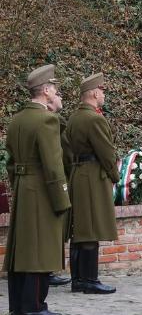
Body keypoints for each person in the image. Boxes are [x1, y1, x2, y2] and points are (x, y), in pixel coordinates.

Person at [3, 64, 71, 315]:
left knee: (22, 247)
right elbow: (53, 165)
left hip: (22, 187)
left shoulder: (18, 118)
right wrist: (62, 198)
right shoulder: (46, 119)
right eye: (54, 89)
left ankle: (18, 305)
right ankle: (35, 305)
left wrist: (20, 182)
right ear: (45, 91)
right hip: (42, 189)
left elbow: (10, 162)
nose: (56, 94)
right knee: (41, 247)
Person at [65, 73, 119, 294]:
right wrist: (116, 175)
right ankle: (88, 279)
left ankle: (78, 278)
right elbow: (106, 152)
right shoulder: (94, 119)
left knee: (81, 227)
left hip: (78, 173)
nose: (104, 95)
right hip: (93, 175)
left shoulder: (74, 117)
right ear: (95, 92)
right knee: (91, 227)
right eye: (103, 91)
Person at [45, 91, 72, 288]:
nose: (60, 97)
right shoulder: (48, 123)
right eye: (58, 94)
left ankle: (48, 269)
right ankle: (46, 269)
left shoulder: (56, 122)